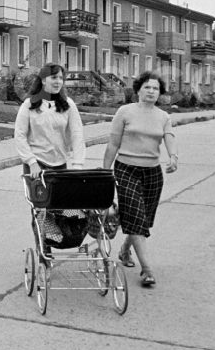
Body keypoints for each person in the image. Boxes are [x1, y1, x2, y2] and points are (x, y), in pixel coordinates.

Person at [102, 71, 179, 287]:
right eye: (147, 87)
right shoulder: (124, 112)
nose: (151, 91)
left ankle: (126, 251)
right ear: (138, 90)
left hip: (152, 173)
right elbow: (112, 144)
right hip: (126, 170)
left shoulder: (163, 116)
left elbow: (169, 137)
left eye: (155, 88)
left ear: (159, 93)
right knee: (135, 217)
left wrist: (173, 156)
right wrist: (105, 173)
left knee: (143, 221)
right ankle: (147, 270)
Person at [15, 63, 87, 255]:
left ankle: (57, 240)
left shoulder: (67, 105)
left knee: (60, 209)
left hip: (59, 165)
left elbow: (77, 135)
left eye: (61, 78)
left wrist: (78, 164)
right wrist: (31, 162)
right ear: (43, 80)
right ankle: (43, 251)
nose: (58, 82)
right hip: (37, 165)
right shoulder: (30, 105)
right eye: (53, 78)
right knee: (40, 210)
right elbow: (20, 135)